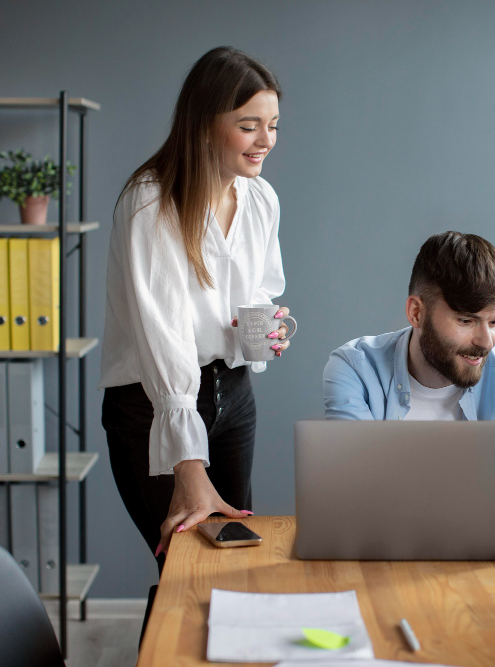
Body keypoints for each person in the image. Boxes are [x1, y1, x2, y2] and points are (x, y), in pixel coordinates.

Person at [99, 47, 293, 566]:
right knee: (186, 565)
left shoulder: (260, 199)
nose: (265, 141)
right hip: (154, 404)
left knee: (236, 559)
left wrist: (263, 332)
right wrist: (188, 465)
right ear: (206, 125)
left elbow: (256, 293)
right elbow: (163, 336)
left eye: (273, 125)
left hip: (232, 395)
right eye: (249, 126)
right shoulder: (151, 203)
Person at [324, 231, 495, 511]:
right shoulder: (354, 368)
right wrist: (493, 485)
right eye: (466, 320)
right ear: (417, 312)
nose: (486, 342)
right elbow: (354, 486)